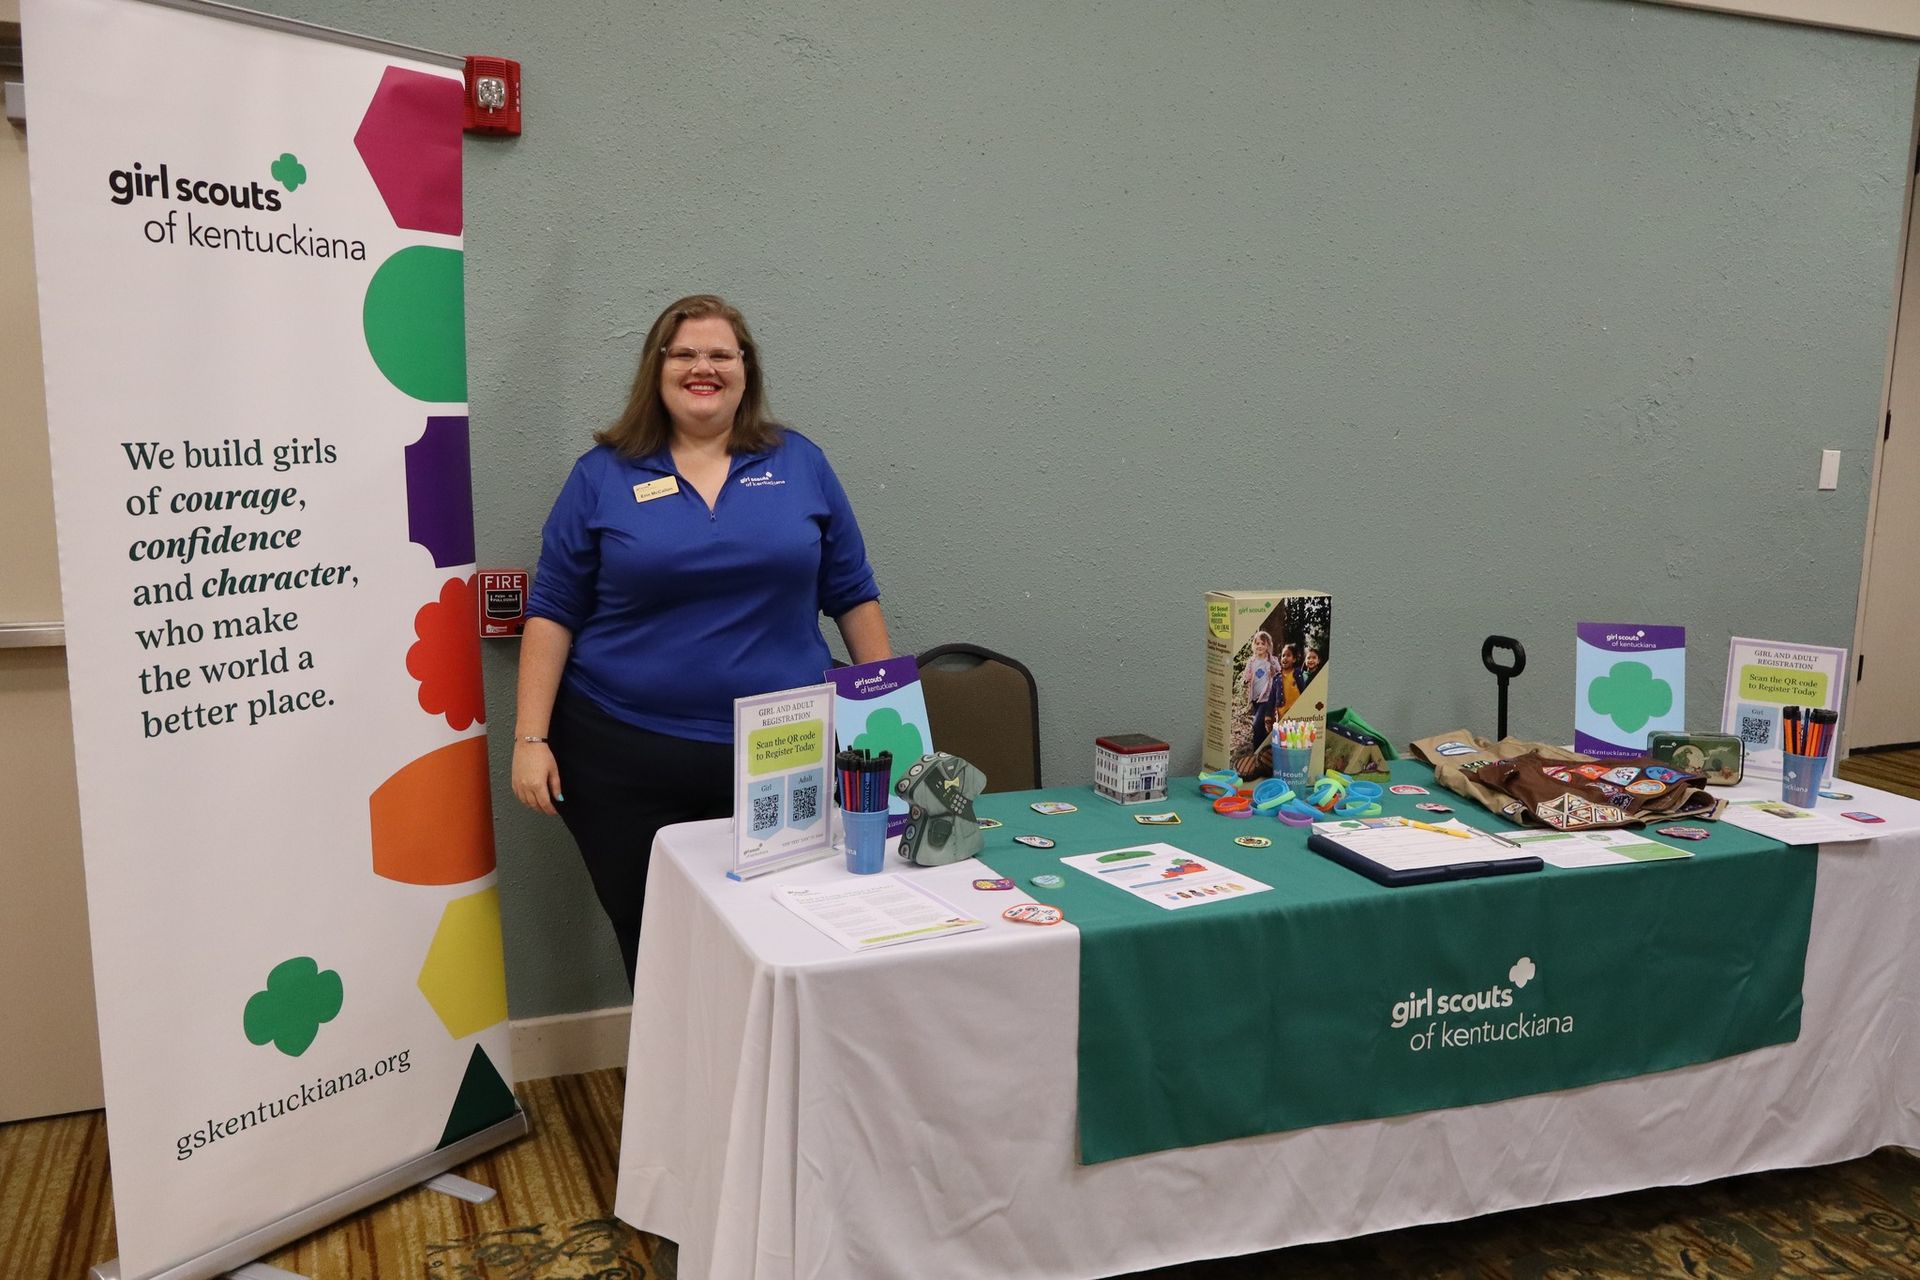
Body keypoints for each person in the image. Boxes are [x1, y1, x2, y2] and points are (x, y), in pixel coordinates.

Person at [511, 294, 892, 983]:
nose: (703, 368)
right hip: (620, 755)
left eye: (720, 354)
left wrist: (897, 728)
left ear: (746, 369)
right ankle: (675, 1089)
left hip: (780, 752)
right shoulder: (603, 475)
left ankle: (765, 1088)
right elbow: (554, 609)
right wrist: (530, 739)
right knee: (654, 940)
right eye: (684, 354)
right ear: (657, 370)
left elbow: (853, 595)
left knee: (780, 932)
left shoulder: (800, 463)